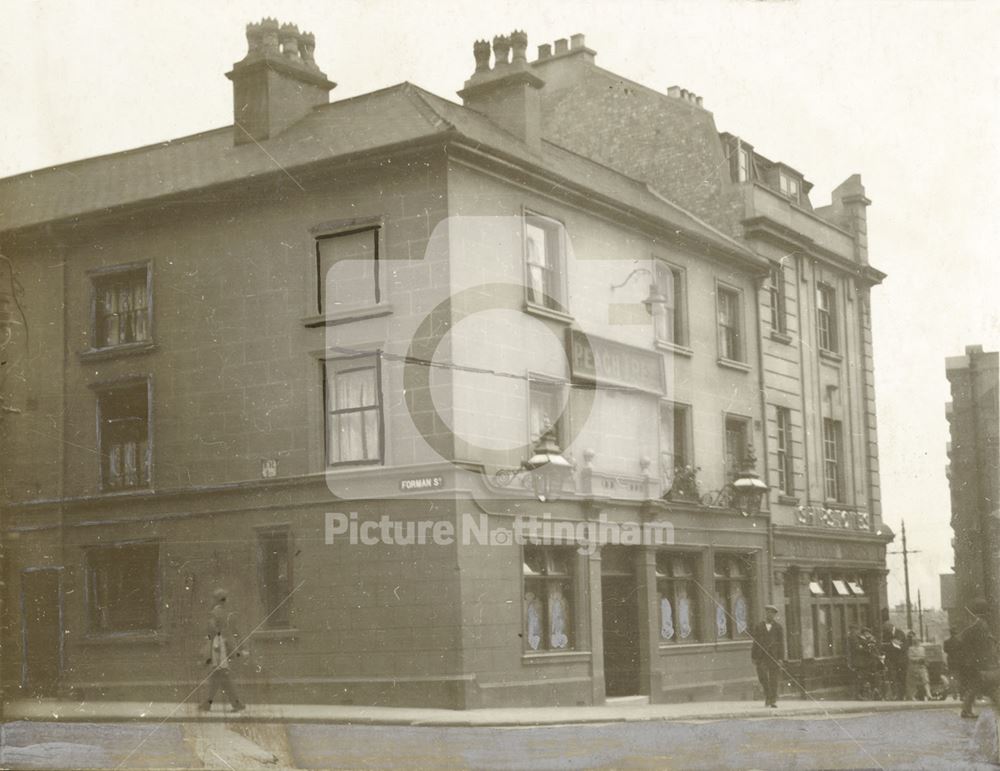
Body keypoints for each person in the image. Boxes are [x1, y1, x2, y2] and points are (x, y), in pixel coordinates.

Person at [198, 588, 246, 713]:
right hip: (226, 645)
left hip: (218, 646)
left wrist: (210, 637)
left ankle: (236, 703)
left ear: (216, 599)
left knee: (221, 674)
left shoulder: (215, 612)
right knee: (218, 675)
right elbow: (234, 631)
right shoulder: (228, 613)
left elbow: (212, 628)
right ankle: (208, 703)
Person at [959, 598, 1000, 719]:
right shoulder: (981, 625)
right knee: (989, 689)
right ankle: (966, 711)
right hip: (984, 665)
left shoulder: (980, 625)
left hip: (982, 665)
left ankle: (966, 710)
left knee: (980, 687)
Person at [751, 604, 785, 708]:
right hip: (761, 657)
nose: (769, 615)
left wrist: (780, 658)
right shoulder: (759, 626)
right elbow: (755, 642)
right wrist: (753, 657)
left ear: (774, 615)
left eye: (772, 613)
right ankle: (768, 696)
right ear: (765, 614)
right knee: (762, 677)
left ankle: (772, 700)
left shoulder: (778, 627)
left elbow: (781, 644)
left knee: (774, 678)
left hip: (774, 657)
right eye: (767, 612)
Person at [881, 617, 908, 699]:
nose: (886, 629)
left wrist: (892, 645)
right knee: (893, 677)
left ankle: (902, 694)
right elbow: (886, 645)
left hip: (900, 659)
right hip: (891, 659)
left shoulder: (900, 633)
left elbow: (901, 646)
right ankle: (895, 694)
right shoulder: (886, 634)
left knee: (901, 677)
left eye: (886, 627)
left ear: (891, 626)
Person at [904, 630, 930, 700]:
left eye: (917, 641)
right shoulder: (913, 649)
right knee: (915, 682)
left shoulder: (920, 649)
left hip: (918, 667)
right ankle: (913, 696)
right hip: (915, 667)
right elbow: (911, 657)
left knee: (923, 680)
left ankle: (928, 694)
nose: (917, 642)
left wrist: (921, 660)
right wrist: (919, 659)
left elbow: (922, 657)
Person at [943, 626, 967, 701]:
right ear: (956, 633)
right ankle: (961, 695)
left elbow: (945, 650)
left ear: (950, 633)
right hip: (959, 662)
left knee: (952, 678)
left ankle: (954, 693)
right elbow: (963, 651)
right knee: (960, 678)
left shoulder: (946, 642)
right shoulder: (960, 642)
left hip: (951, 662)